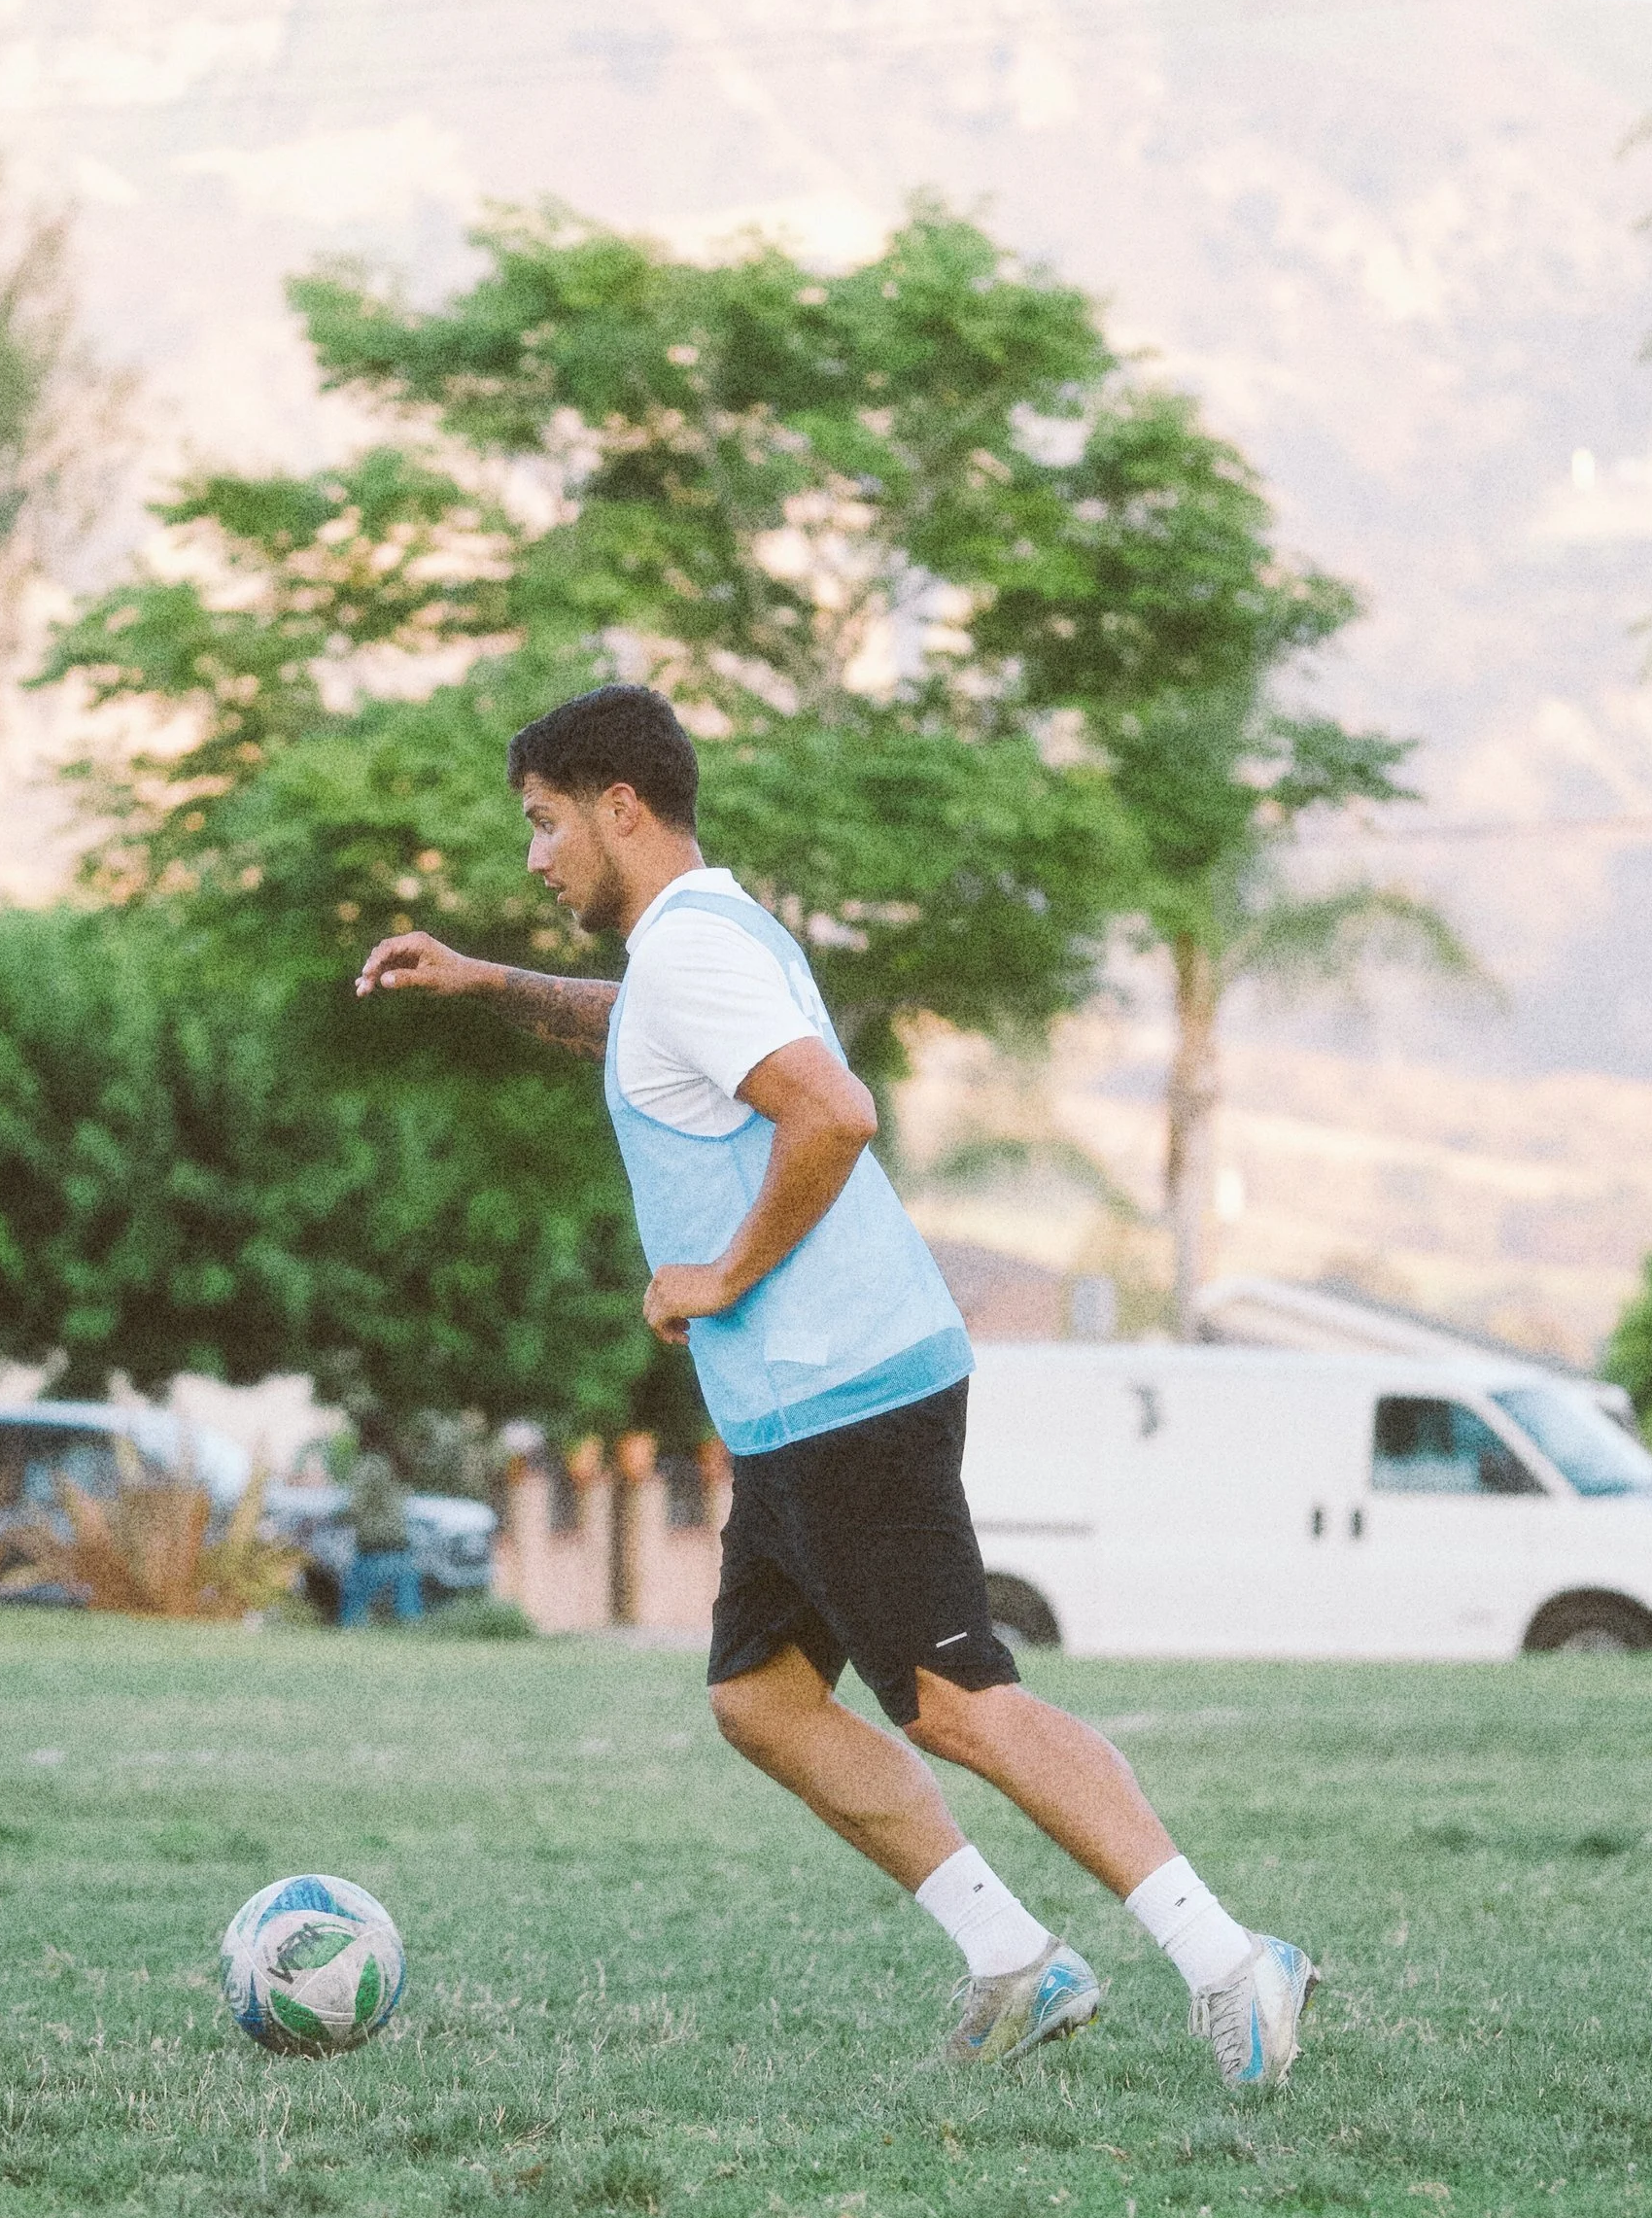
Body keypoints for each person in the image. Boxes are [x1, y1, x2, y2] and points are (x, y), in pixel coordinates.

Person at [357, 680, 1316, 2087]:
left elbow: (836, 1112)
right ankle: (1015, 1957)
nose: (534, 856)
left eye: (544, 823)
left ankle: (1232, 1960)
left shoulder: (697, 949)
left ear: (621, 806)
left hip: (848, 1383)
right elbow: (637, 1026)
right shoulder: (698, 947)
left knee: (956, 1697)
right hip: (805, 1402)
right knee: (760, 1699)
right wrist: (491, 981)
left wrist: (725, 1274)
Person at [339, 1435, 425, 1629]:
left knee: (355, 1604)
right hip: (400, 1545)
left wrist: (337, 1515)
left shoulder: (369, 1465)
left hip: (374, 1547)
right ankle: (411, 1634)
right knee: (408, 1605)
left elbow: (355, 1505)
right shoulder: (395, 1465)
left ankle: (352, 1630)